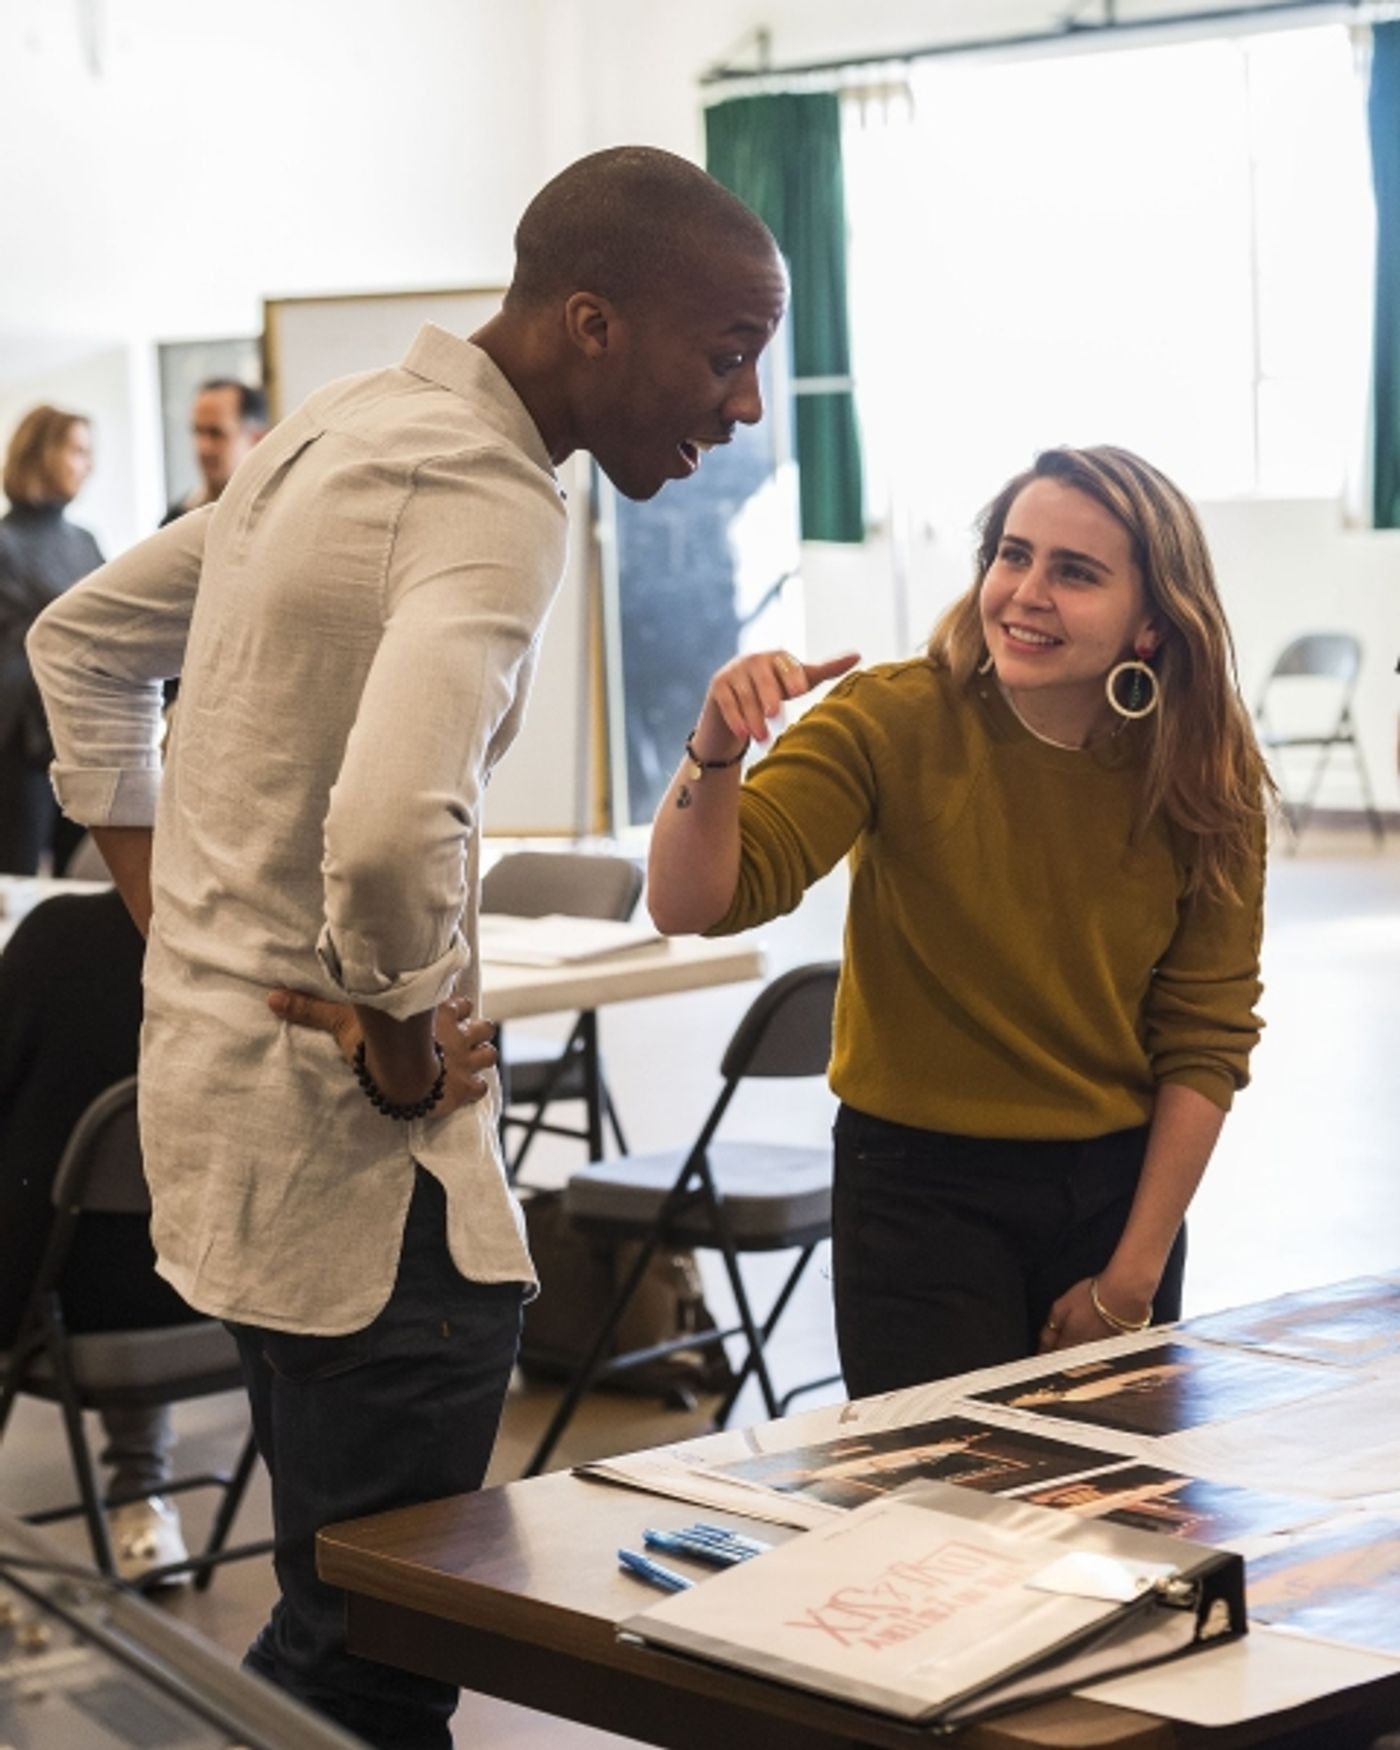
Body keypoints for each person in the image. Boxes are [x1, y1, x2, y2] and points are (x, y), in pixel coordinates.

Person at [29, 146, 786, 1748]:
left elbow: (79, 643)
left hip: (229, 1144)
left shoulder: (340, 426)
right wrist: (393, 1042)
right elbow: (387, 836)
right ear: (592, 322)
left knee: (332, 1621)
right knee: (372, 1658)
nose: (747, 406)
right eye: (727, 353)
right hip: (366, 1184)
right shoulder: (489, 501)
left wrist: (182, 927)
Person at [648, 444, 1269, 1401]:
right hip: (917, 1192)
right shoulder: (891, 719)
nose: (1026, 593)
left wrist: (1129, 1280)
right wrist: (717, 746)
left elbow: (1207, 1033)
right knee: (943, 1493)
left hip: (1117, 1198)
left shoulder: (1199, 770)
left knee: (1117, 1495)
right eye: (1013, 555)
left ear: (1151, 622)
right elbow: (692, 901)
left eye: (1075, 572)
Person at [0, 888, 194, 1580]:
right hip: (222, 1302)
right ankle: (141, 1500)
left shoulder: (57, 934)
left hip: (50, 1303)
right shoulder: (269, 947)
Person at [0, 406, 103, 873]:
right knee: (17, 881)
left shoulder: (84, 542)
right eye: (78, 451)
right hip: (21, 749)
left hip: (83, 740)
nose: (88, 465)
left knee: (83, 881)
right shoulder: (6, 545)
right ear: (41, 453)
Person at [161, 378, 267, 523]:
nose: (203, 447)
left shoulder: (276, 517)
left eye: (216, 433)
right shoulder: (175, 522)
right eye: (197, 432)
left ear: (256, 439)